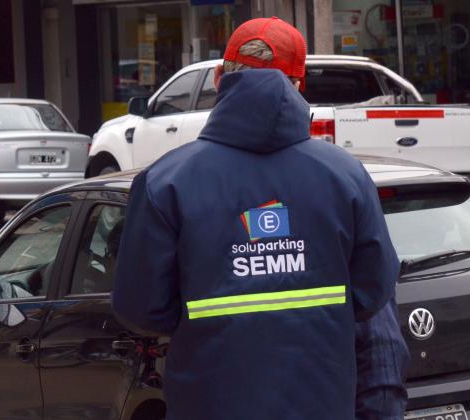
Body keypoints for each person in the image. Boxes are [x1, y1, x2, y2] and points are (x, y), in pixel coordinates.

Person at [113, 17, 407, 419]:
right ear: (299, 85)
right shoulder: (346, 175)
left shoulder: (166, 182)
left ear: (219, 78)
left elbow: (141, 309)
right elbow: (373, 292)